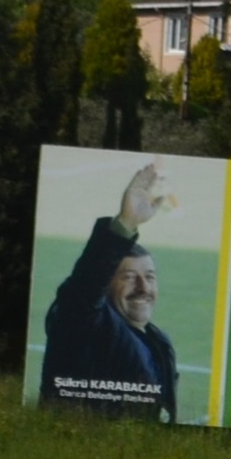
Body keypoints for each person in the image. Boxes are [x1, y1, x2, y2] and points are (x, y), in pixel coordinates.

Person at [37, 162, 179, 422]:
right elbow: (84, 291)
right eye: (128, 277)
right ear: (106, 285)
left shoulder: (160, 343)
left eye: (149, 277)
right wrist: (124, 225)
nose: (143, 288)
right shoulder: (85, 326)